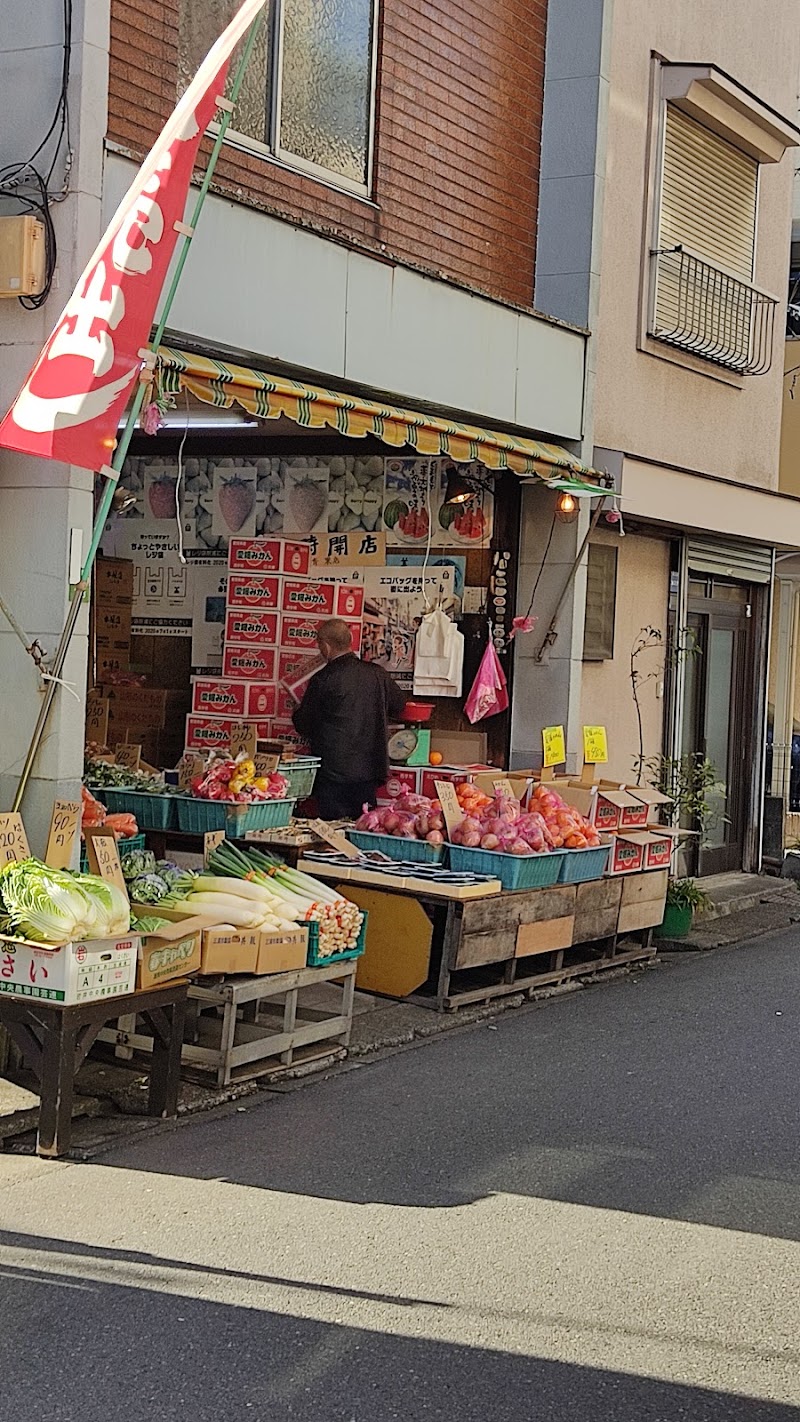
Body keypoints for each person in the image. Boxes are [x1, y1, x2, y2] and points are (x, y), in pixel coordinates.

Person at [292, 617, 407, 819]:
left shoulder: (323, 679)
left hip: (333, 773)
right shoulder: (377, 674)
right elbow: (399, 706)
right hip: (370, 770)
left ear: (325, 646)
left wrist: (296, 710)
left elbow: (304, 725)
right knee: (364, 826)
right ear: (350, 639)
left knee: (333, 832)